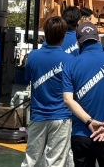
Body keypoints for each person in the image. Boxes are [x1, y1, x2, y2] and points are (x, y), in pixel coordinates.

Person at [63, 22, 104, 167]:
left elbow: (68, 99)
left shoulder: (70, 64)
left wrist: (89, 121)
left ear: (79, 42)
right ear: (98, 39)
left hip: (82, 133)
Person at [25, 16, 73, 167]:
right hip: (61, 115)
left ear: (45, 33)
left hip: (38, 114)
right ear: (64, 35)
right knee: (55, 161)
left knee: (31, 159)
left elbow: (28, 78)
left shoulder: (32, 56)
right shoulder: (69, 60)